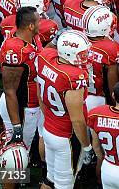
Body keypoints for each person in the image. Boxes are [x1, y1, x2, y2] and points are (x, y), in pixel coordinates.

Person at [36, 30, 94, 189]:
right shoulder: (74, 76)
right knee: (65, 185)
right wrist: (87, 146)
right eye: (83, 53)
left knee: (49, 179)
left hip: (48, 127)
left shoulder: (45, 57)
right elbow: (77, 119)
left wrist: (48, 116)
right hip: (66, 137)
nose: (86, 56)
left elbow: (39, 95)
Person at [0, 7, 42, 151]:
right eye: (38, 21)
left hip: (29, 103)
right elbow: (10, 90)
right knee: (19, 154)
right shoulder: (16, 50)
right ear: (30, 26)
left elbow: (37, 56)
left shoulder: (29, 36)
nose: (40, 24)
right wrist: (17, 126)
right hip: (23, 106)